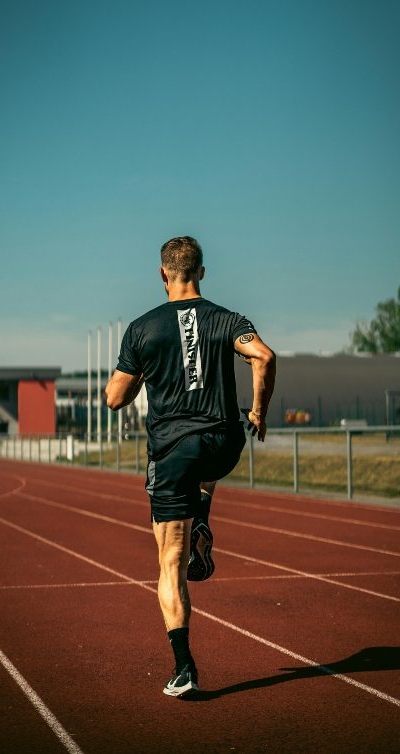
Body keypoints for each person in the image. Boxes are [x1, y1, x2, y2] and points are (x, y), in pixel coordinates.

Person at [105, 236, 276, 698]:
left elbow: (114, 398)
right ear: (201, 271)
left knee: (170, 562)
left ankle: (184, 669)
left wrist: (143, 371)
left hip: (173, 453)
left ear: (163, 274)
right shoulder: (227, 319)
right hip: (224, 442)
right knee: (207, 456)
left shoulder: (143, 329)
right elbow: (263, 356)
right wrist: (259, 410)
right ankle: (202, 507)